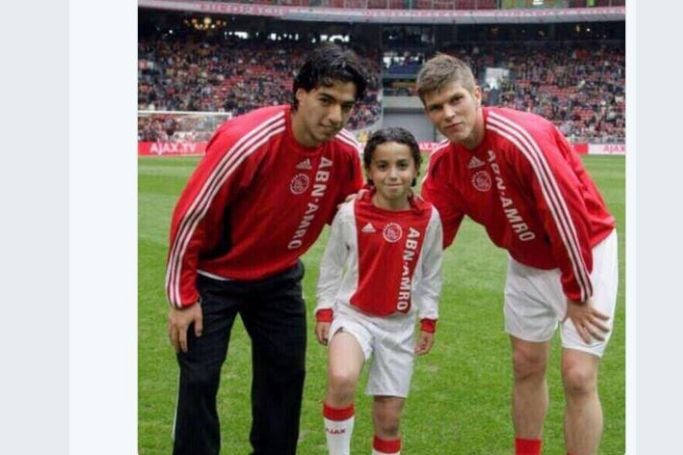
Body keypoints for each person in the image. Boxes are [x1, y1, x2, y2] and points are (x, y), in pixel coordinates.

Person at [164, 44, 368, 455]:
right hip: (213, 280)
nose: (335, 116)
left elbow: (350, 219)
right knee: (200, 379)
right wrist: (183, 299)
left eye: (346, 106)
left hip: (278, 280)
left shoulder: (345, 152)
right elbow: (191, 216)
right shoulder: (247, 139)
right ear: (299, 94)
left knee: (285, 377)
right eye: (326, 100)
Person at [416, 54, 618, 455]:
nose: (449, 114)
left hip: (584, 254)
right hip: (525, 262)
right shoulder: (445, 164)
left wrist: (576, 293)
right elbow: (430, 237)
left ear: (477, 94)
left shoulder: (523, 138)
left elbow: (567, 217)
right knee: (526, 364)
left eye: (456, 100)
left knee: (578, 376)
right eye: (436, 107)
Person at [314, 127, 443, 455]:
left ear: (416, 168)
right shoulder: (351, 212)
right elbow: (331, 265)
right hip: (353, 316)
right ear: (369, 171)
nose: (393, 174)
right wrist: (325, 309)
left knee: (388, 421)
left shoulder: (428, 218)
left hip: (398, 328)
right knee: (342, 378)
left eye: (402, 165)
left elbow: (431, 273)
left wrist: (429, 317)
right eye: (382, 166)